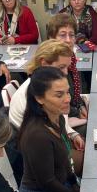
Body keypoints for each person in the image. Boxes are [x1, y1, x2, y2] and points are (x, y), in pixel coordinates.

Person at [9, 39, 84, 176]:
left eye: (67, 67)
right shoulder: (34, 94)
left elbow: (59, 118)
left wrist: (72, 134)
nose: (66, 72)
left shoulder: (44, 86)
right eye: (61, 67)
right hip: (38, 154)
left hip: (49, 141)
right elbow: (48, 137)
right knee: (89, 158)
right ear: (44, 63)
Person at [18, 67, 80, 192]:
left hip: (59, 189)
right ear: (39, 98)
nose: (67, 99)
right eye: (59, 95)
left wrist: (74, 184)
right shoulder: (37, 136)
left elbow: (65, 163)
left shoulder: (57, 117)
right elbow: (48, 184)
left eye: (68, 92)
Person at [47, 14, 88, 131]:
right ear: (51, 38)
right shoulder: (51, 63)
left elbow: (74, 90)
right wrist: (77, 112)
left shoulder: (70, 58)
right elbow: (57, 104)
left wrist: (80, 106)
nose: (68, 40)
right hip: (58, 122)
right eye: (62, 35)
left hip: (71, 111)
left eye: (71, 35)